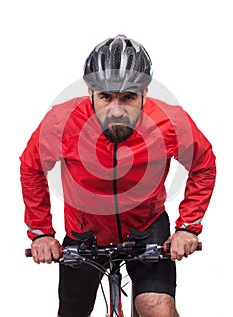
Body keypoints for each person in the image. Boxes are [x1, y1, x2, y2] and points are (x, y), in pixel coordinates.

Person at [20, 34, 216, 317]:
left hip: (147, 229)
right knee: (72, 312)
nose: (116, 110)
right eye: (105, 97)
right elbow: (32, 167)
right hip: (85, 233)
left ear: (145, 93)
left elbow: (203, 165)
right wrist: (41, 234)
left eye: (128, 98)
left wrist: (188, 227)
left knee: (156, 308)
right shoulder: (61, 122)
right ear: (90, 92)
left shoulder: (170, 122)